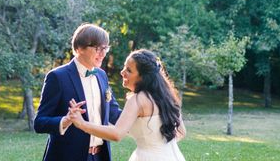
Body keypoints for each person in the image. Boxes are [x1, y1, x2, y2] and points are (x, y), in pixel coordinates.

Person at [67, 49, 186, 161]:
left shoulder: (138, 100)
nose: (122, 72)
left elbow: (116, 134)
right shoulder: (168, 96)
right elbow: (181, 132)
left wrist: (82, 124)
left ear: (143, 77)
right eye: (124, 67)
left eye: (129, 70)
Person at [34, 23, 122, 161]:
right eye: (98, 48)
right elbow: (39, 123)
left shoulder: (102, 75)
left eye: (105, 48)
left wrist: (143, 116)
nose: (103, 53)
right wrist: (66, 120)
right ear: (79, 48)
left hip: (100, 156)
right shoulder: (57, 77)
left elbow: (113, 112)